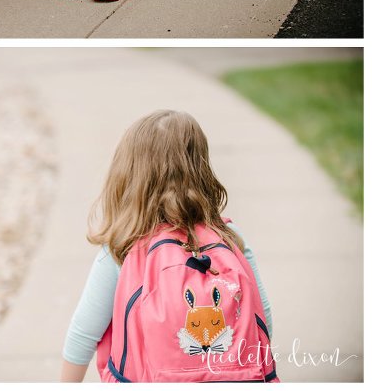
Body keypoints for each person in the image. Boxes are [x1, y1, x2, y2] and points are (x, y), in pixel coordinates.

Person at [61, 110, 273, 382]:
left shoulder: (124, 248)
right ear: (201, 167)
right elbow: (261, 314)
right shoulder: (230, 237)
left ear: (129, 174)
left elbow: (83, 332)